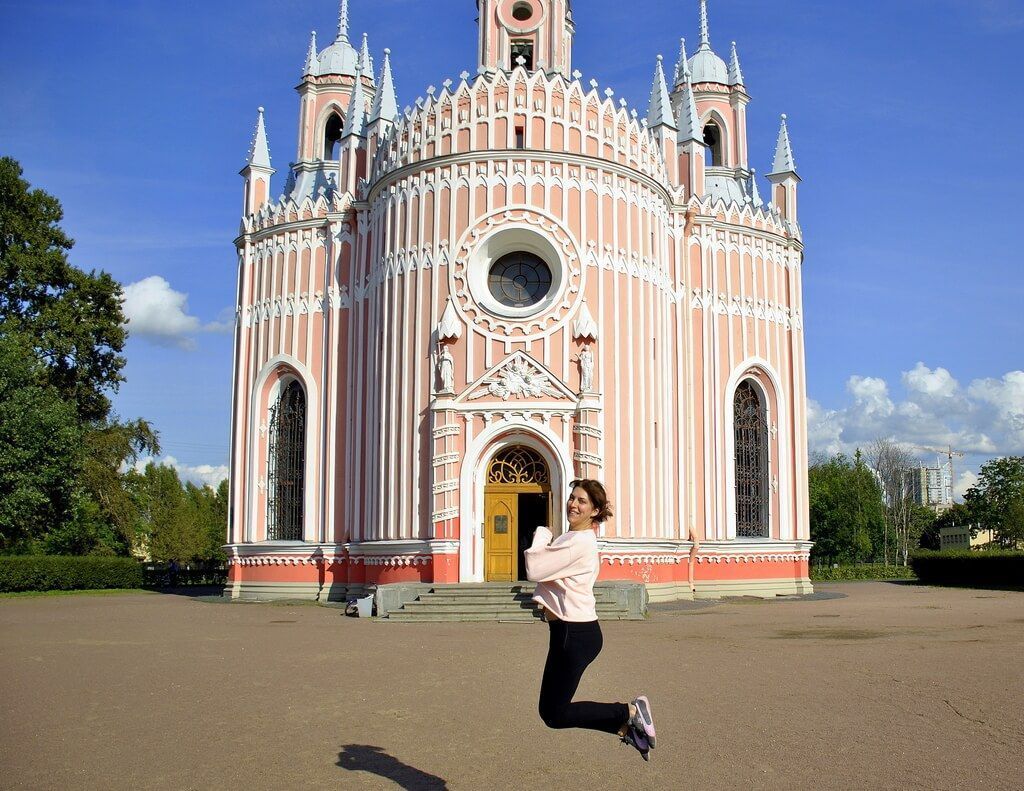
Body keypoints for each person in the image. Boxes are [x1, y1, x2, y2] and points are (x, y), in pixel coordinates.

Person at [524, 479, 657, 761]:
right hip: (568, 632)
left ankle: (630, 712)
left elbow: (534, 568)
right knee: (551, 712)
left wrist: (540, 534)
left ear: (595, 510)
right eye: (572, 498)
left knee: (555, 712)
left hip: (574, 634)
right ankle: (626, 728)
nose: (573, 504)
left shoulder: (579, 543)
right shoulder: (572, 539)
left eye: (582, 501)